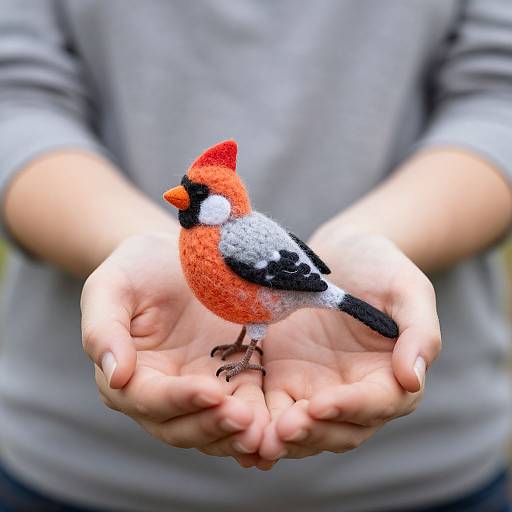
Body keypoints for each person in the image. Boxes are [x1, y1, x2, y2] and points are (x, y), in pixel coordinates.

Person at [0, 0, 511, 511]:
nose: (181, 198)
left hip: (435, 473)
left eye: (195, 195)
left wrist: (371, 239)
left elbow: (496, 97)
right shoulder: (205, 240)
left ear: (221, 205)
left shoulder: (229, 242)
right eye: (187, 191)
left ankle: (250, 347)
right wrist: (129, 240)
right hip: (68, 464)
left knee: (276, 320)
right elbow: (17, 96)